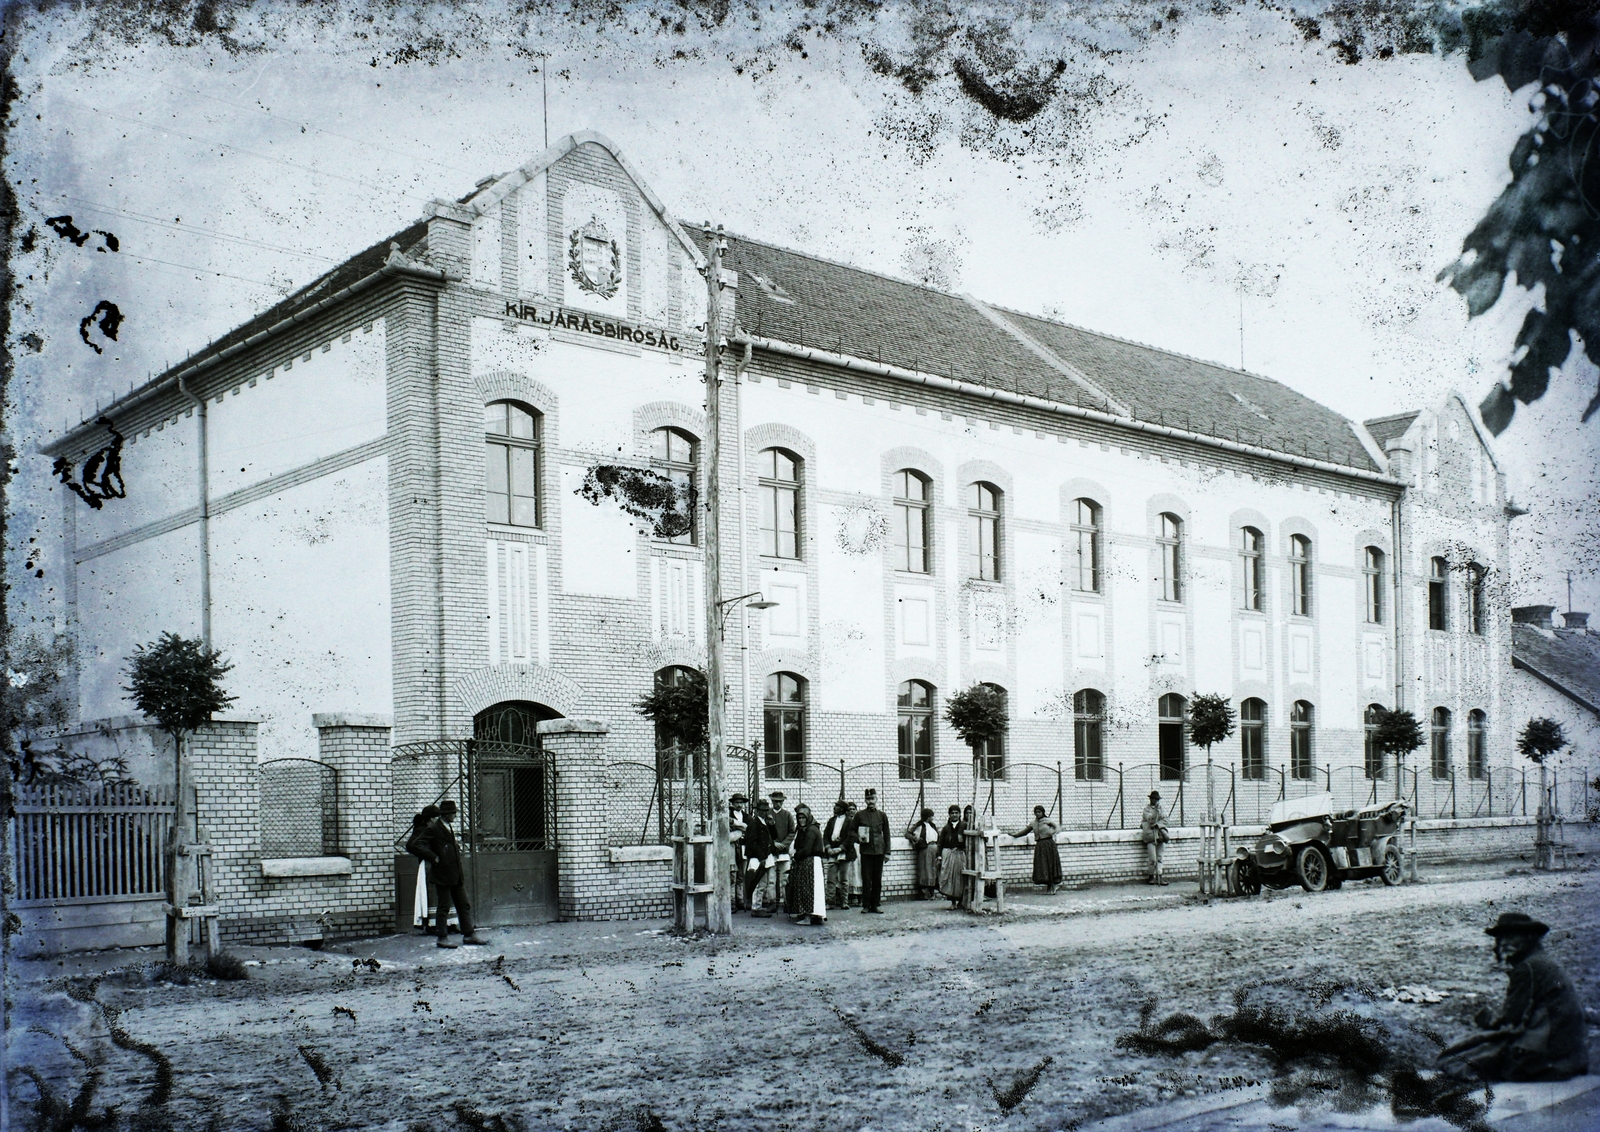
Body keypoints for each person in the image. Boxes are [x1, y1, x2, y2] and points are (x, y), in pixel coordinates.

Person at [1437, 912, 1590, 1083]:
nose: (1504, 943)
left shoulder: (1528, 967)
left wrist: (1489, 1022)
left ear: (1529, 937)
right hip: (1569, 1050)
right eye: (1501, 938)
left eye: (1512, 937)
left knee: (1459, 1059)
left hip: (1545, 1052)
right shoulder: (1543, 961)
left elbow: (1512, 1018)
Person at [411, 800, 487, 948]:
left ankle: (469, 934)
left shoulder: (447, 826)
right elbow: (416, 844)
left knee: (463, 904)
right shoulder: (434, 828)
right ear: (445, 814)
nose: (455, 816)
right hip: (442, 874)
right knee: (443, 906)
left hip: (455, 874)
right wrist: (433, 857)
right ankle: (442, 937)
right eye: (453, 813)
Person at [785, 803, 828, 925]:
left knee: (808, 890)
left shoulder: (811, 830)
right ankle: (814, 916)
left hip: (811, 863)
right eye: (799, 818)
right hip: (810, 863)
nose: (801, 820)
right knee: (813, 890)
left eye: (803, 818)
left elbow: (807, 849)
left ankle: (808, 917)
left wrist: (795, 854)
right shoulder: (805, 829)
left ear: (808, 817)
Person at [405, 805, 443, 933]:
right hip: (428, 865)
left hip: (441, 865)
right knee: (430, 894)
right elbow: (411, 845)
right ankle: (431, 924)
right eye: (437, 817)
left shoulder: (438, 828)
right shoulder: (422, 829)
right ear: (431, 819)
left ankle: (448, 923)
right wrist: (431, 856)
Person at [1010, 805, 1063, 894]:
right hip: (1040, 846)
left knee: (1050, 864)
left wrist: (1051, 832)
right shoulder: (1033, 823)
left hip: (1049, 844)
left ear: (1043, 812)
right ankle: (1049, 887)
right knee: (1043, 866)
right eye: (1036, 812)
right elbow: (1025, 831)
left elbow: (1058, 828)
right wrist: (1015, 835)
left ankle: (1053, 885)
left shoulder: (1047, 820)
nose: (1037, 814)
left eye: (1039, 812)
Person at [854, 788, 891, 913]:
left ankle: (876, 904)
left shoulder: (882, 815)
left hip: (879, 852)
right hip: (866, 852)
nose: (870, 801)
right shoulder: (859, 815)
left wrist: (887, 852)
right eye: (868, 799)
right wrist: (858, 838)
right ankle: (866, 905)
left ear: (876, 799)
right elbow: (851, 831)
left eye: (872, 799)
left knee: (877, 879)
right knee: (866, 879)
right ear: (865, 800)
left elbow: (886, 834)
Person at [742, 798, 778, 916]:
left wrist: (772, 824)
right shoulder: (754, 823)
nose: (764, 813)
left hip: (766, 856)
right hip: (757, 857)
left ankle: (759, 906)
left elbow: (775, 836)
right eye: (762, 810)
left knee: (765, 883)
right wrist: (761, 857)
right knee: (758, 883)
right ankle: (756, 908)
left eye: (766, 810)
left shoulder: (765, 822)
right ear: (757, 811)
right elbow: (752, 843)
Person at [905, 807, 941, 899]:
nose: (932, 818)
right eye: (931, 816)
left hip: (934, 849)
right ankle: (924, 893)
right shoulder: (919, 825)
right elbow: (908, 834)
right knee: (925, 870)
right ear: (927, 817)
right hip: (925, 849)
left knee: (933, 870)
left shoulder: (933, 825)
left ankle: (932, 892)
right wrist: (914, 838)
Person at [937, 805, 967, 909]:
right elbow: (940, 843)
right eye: (952, 813)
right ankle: (952, 902)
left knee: (959, 878)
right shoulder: (946, 828)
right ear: (949, 815)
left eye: (956, 813)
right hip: (948, 856)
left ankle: (961, 901)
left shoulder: (964, 826)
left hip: (960, 855)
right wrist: (939, 856)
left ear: (959, 814)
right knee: (949, 879)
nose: (954, 815)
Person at [822, 800, 851, 908]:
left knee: (844, 879)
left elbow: (850, 837)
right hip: (832, 853)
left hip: (843, 853)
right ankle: (830, 901)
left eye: (837, 806)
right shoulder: (831, 821)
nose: (834, 808)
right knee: (831, 878)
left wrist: (841, 848)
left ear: (842, 809)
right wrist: (828, 847)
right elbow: (825, 835)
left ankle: (844, 902)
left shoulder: (849, 821)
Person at [768, 791, 795, 907]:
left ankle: (787, 902)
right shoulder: (767, 814)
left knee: (785, 879)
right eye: (775, 801)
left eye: (780, 801)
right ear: (772, 801)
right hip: (770, 851)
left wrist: (784, 844)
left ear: (783, 802)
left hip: (784, 852)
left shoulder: (787, 815)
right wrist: (773, 844)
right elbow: (764, 832)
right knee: (771, 880)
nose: (777, 804)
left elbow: (792, 832)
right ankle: (772, 902)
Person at [1139, 791, 1169, 886]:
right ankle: (1151, 877)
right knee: (1153, 859)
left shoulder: (1161, 809)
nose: (1156, 801)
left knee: (1160, 858)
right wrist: (1156, 813)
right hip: (1151, 836)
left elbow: (1166, 820)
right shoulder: (1146, 810)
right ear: (1151, 799)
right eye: (1154, 799)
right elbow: (1150, 820)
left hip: (1159, 836)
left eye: (1157, 799)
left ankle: (1159, 877)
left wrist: (1158, 824)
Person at [728, 793, 749, 912]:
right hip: (732, 849)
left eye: (741, 803)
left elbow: (749, 828)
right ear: (732, 804)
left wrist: (741, 830)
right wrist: (740, 831)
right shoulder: (729, 815)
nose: (739, 805)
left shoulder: (746, 816)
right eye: (737, 803)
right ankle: (732, 902)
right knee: (732, 875)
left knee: (741, 875)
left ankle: (740, 900)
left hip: (743, 848)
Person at [843, 801, 863, 907]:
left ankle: (860, 898)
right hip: (848, 848)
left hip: (857, 848)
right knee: (847, 873)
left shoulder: (859, 821)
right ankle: (848, 897)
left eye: (853, 809)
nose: (851, 811)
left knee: (858, 872)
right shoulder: (845, 822)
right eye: (849, 809)